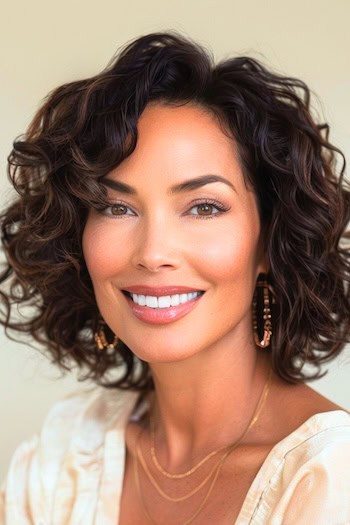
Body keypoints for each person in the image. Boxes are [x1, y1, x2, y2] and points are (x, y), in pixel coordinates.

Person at [0, 30, 349, 525]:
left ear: (270, 238)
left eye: (203, 207)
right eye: (116, 207)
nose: (154, 252)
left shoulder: (330, 479)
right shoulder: (66, 459)